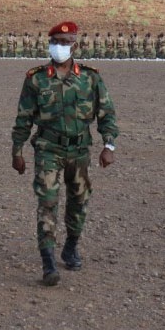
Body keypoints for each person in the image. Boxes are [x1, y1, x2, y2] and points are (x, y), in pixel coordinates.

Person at [11, 22, 118, 286]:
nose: (59, 46)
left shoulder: (90, 78)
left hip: (79, 151)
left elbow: (106, 113)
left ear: (74, 46)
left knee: (79, 201)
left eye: (65, 42)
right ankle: (48, 262)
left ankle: (71, 246)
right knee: (47, 202)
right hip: (48, 149)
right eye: (55, 41)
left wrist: (109, 145)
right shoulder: (36, 79)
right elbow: (23, 118)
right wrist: (17, 151)